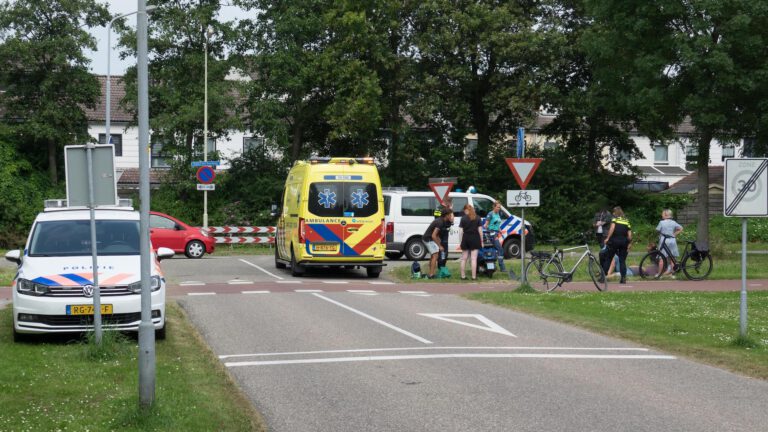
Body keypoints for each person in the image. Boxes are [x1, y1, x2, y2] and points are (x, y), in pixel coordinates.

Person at [602, 206, 632, 284]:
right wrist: (629, 242)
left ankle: (603, 277)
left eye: (613, 212)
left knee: (609, 258)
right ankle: (623, 278)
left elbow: (612, 229)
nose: (613, 213)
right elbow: (629, 234)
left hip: (614, 241)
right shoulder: (626, 221)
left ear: (616, 213)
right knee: (622, 260)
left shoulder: (615, 219)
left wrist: (608, 238)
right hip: (624, 242)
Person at [483, 200, 508, 276]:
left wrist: (499, 230)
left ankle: (493, 265)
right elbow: (485, 225)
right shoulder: (490, 214)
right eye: (497, 207)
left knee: (495, 250)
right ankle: (502, 267)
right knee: (500, 249)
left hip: (496, 233)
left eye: (500, 207)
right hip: (492, 234)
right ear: (494, 206)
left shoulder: (498, 214)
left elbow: (497, 224)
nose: (499, 208)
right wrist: (491, 232)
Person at [459, 204, 483, 280]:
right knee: (473, 259)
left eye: (464, 210)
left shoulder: (463, 218)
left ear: (466, 210)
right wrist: (482, 241)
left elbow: (460, 232)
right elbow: (480, 231)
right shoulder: (478, 218)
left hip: (465, 238)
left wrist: (460, 241)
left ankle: (463, 276)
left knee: (464, 258)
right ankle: (474, 277)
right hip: (475, 238)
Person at [656, 208, 683, 276]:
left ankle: (659, 274)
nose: (661, 215)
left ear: (665, 215)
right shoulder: (673, 222)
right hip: (672, 240)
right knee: (672, 258)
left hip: (664, 240)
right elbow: (681, 228)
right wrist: (674, 234)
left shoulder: (661, 222)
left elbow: (657, 230)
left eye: (662, 214)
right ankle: (672, 274)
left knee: (662, 258)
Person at [422, 214, 444, 279]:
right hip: (428, 239)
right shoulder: (440, 222)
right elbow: (433, 236)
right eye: (450, 215)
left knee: (433, 255)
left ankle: (431, 273)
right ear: (447, 215)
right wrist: (439, 246)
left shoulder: (439, 221)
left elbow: (436, 235)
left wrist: (438, 241)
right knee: (435, 255)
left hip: (429, 238)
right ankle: (431, 275)